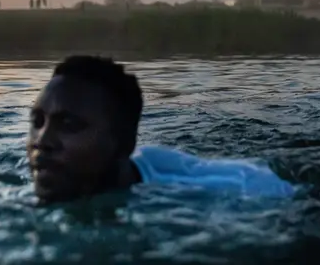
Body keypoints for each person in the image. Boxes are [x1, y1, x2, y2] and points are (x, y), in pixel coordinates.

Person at [27, 55, 295, 204]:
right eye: (37, 122)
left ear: (123, 144)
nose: (42, 140)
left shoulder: (217, 193)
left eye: (70, 125)